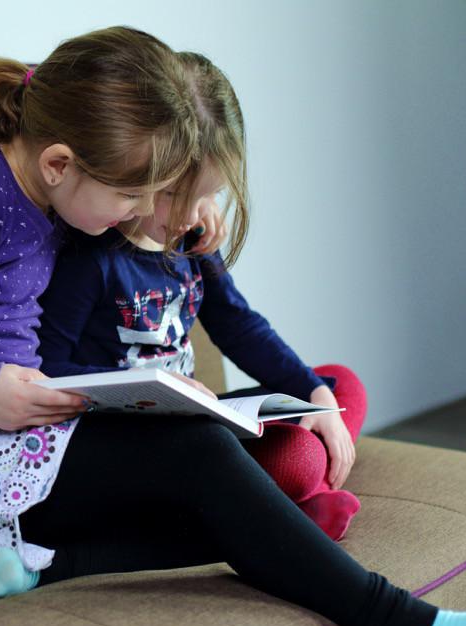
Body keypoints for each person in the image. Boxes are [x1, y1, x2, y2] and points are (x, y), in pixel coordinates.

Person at [0, 28, 466, 626]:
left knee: (238, 459)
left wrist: (190, 219)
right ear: (60, 163)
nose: (141, 209)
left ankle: (36, 566)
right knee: (202, 455)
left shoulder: (48, 190)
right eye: (133, 195)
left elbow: (141, 238)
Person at [36, 51, 363, 542]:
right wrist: (152, 383)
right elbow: (48, 368)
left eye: (206, 195)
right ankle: (291, 502)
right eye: (173, 194)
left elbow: (239, 324)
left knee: (339, 387)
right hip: (142, 436)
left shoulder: (192, 240)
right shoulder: (92, 259)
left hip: (199, 417)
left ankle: (280, 494)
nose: (189, 213)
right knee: (292, 459)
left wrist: (313, 395)